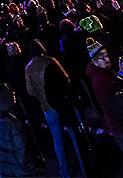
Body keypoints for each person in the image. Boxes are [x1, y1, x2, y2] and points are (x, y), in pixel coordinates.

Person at [25, 38, 89, 178]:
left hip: (46, 108)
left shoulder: (28, 68)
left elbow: (30, 91)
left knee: (58, 140)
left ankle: (64, 171)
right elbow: (66, 79)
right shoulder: (50, 61)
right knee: (75, 136)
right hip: (61, 103)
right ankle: (85, 168)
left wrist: (42, 97)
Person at [0, 83, 46, 177]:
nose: (13, 93)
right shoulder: (11, 123)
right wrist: (42, 167)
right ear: (4, 98)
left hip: (12, 171)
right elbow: (24, 158)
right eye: (9, 92)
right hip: (23, 173)